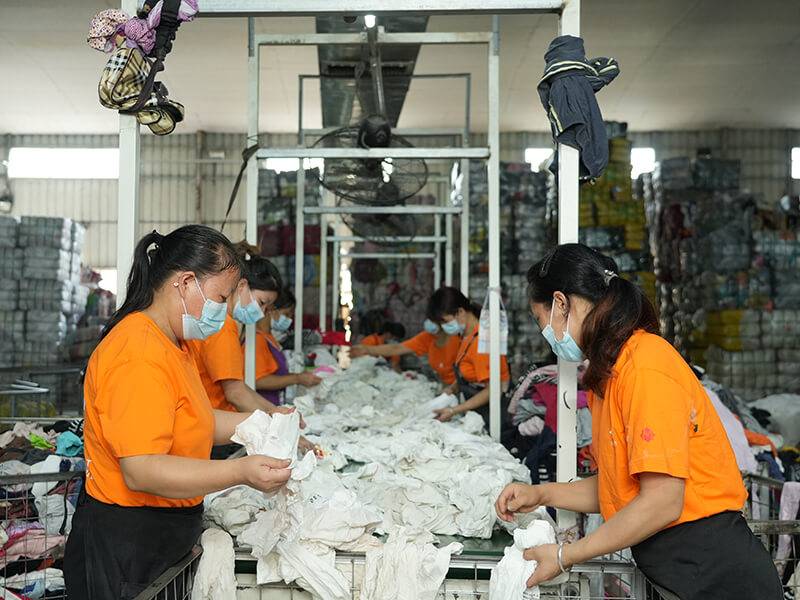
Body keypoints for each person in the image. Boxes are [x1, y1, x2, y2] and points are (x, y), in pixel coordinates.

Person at [494, 243, 781, 599]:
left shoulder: (645, 367)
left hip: (716, 572)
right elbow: (620, 486)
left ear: (561, 303)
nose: (547, 336)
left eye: (542, 321)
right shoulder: (611, 373)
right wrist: (540, 493)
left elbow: (662, 501)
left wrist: (566, 555)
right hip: (684, 569)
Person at [64, 226, 292, 599]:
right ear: (186, 282)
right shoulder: (137, 351)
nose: (223, 311)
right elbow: (142, 469)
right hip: (127, 540)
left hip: (159, 533)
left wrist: (264, 422)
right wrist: (239, 472)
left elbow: (197, 419)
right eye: (220, 297)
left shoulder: (174, 343)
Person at [187, 242, 294, 416]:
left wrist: (275, 411)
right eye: (261, 303)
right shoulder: (223, 324)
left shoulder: (220, 321)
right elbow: (235, 393)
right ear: (242, 286)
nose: (261, 313)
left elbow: (238, 387)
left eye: (267, 308)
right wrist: (275, 418)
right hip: (215, 420)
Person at [427, 286, 510, 429]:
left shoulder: (482, 342)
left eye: (445, 321)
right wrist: (452, 389)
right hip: (479, 411)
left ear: (460, 311)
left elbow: (492, 389)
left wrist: (454, 410)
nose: (444, 327)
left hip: (494, 415)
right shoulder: (465, 336)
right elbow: (469, 374)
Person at [351, 314, 460, 388]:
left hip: (456, 385)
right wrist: (367, 349)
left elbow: (395, 357)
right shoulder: (426, 337)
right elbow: (397, 349)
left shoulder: (458, 338)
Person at [254, 287, 321, 404]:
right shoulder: (257, 339)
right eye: (286, 314)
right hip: (263, 406)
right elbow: (258, 380)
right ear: (272, 310)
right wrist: (297, 378)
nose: (289, 320)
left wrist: (300, 376)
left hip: (274, 404)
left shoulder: (270, 338)